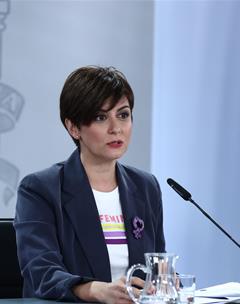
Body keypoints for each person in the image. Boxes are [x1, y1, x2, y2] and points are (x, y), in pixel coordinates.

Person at [14, 66, 166, 303]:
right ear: (74, 128)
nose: (116, 128)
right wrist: (95, 290)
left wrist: (165, 281)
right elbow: (41, 273)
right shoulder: (40, 189)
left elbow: (156, 264)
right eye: (100, 117)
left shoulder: (146, 187)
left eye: (123, 115)